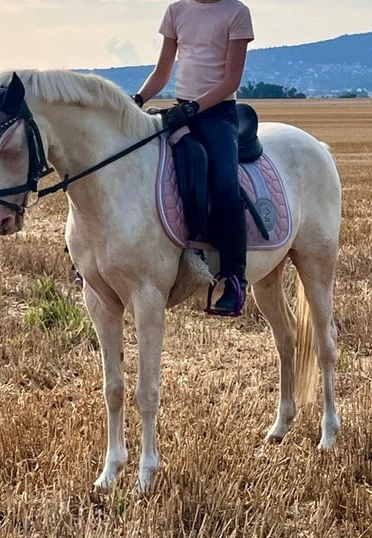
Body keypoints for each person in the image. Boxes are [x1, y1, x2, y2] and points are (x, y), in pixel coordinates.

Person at [133, 0, 254, 316]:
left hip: (218, 114)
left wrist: (195, 107)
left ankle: (234, 278)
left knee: (226, 186)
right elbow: (163, 72)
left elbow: (231, 80)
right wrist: (137, 100)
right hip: (182, 111)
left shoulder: (237, 13)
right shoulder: (176, 11)